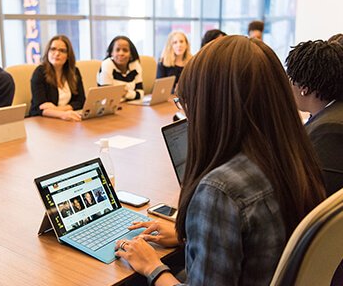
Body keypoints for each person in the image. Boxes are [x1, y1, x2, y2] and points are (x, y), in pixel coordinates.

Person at [115, 36, 326, 285]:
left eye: (186, 103)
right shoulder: (293, 156)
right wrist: (192, 236)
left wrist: (152, 267)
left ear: (212, 105)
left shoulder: (221, 191)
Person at [286, 40, 343, 196]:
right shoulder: (331, 113)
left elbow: (317, 192)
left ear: (304, 88)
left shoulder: (328, 130)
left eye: (290, 79)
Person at [29, 35, 85, 121]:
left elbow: (80, 101)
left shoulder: (74, 72)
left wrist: (56, 109)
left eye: (62, 51)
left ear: (68, 55)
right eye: (53, 49)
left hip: (67, 120)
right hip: (43, 122)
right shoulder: (39, 72)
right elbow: (39, 107)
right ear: (47, 52)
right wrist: (62, 114)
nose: (57, 54)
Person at [97, 36, 144, 101]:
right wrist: (132, 94)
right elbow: (107, 97)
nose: (121, 53)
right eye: (117, 50)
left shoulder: (135, 65)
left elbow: (141, 93)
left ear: (131, 54)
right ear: (111, 53)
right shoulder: (106, 65)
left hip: (130, 106)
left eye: (125, 50)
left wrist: (126, 94)